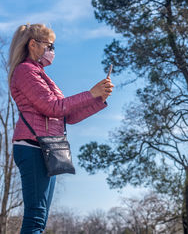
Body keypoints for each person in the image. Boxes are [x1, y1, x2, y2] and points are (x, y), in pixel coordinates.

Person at [8, 23, 113, 233]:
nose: (52, 51)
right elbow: (52, 107)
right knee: (35, 217)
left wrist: (98, 99)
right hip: (32, 146)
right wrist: (90, 93)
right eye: (50, 46)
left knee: (41, 218)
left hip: (47, 148)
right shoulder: (25, 72)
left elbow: (68, 115)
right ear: (33, 45)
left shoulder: (42, 75)